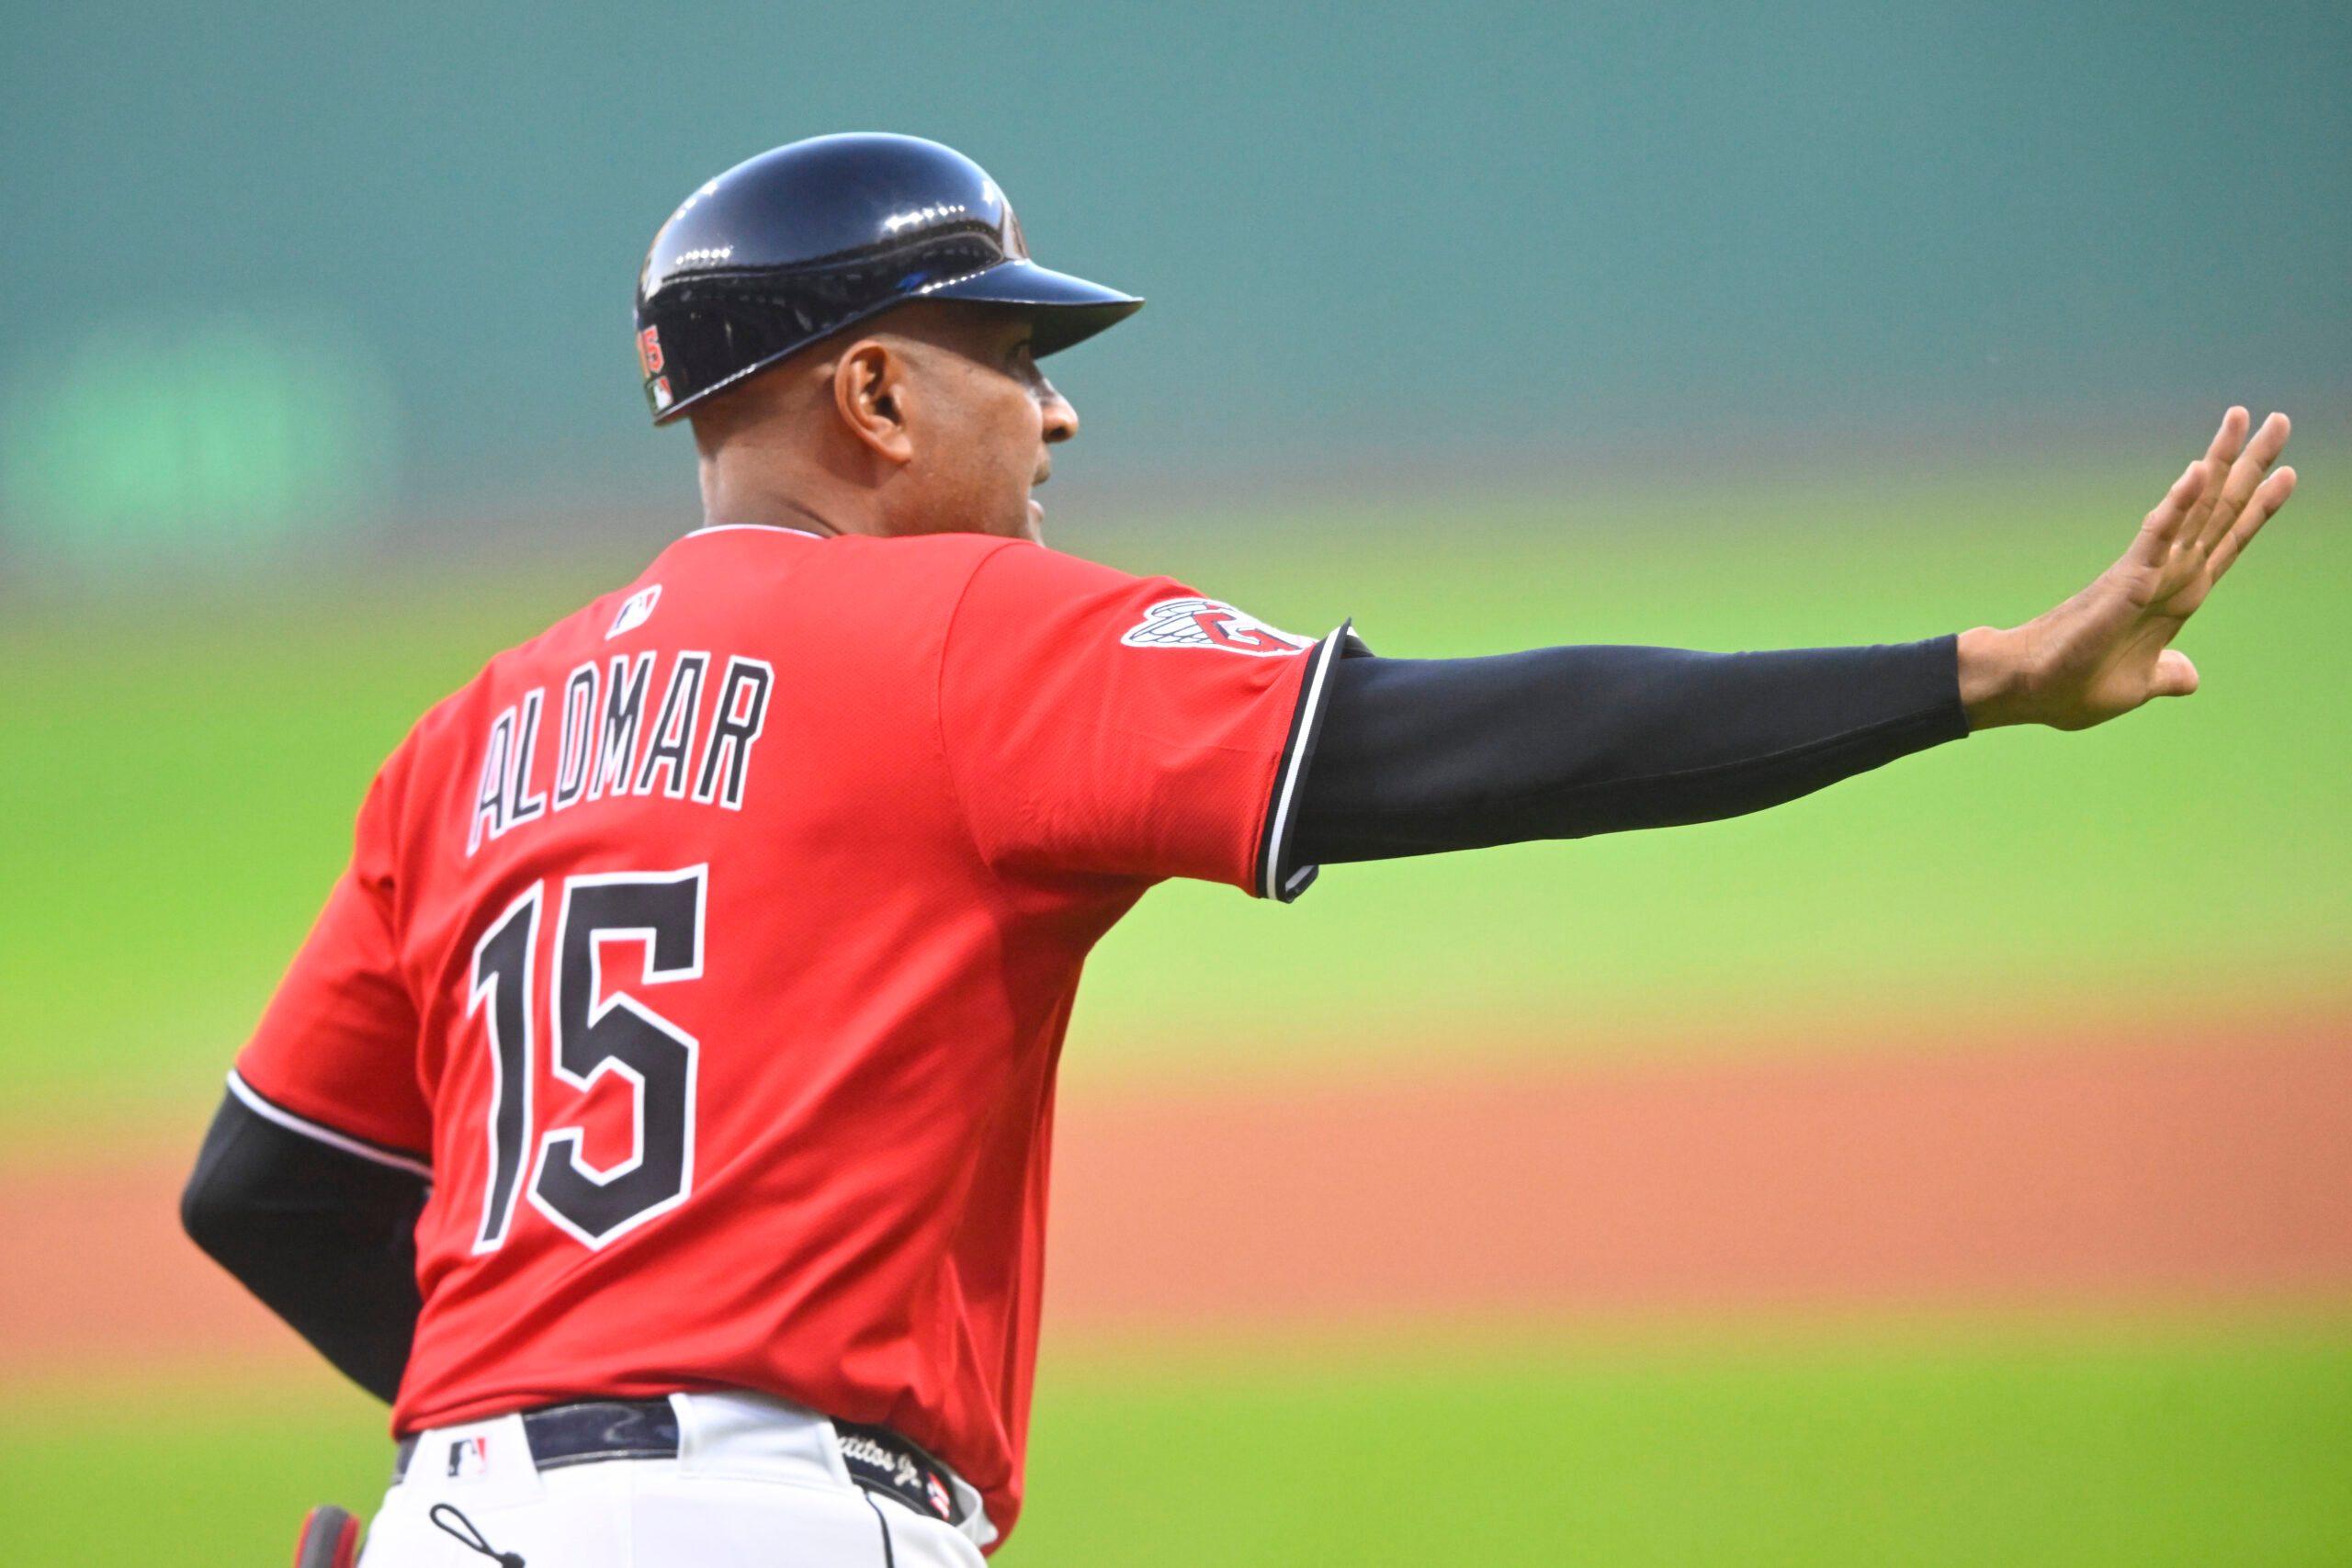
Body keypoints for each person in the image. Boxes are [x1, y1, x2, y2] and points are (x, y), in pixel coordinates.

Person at [180, 133, 2297, 1567]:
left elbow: (267, 1183)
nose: (1061, 412)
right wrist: (1971, 673)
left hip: (458, 1523)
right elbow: (1464, 746)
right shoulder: (966, 636)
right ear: (878, 398)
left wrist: (533, 1436)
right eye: (1016, 355)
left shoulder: (468, 733)